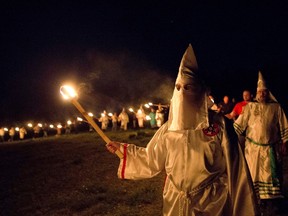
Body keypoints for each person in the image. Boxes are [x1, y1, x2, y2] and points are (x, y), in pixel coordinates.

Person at [106, 44, 259, 216]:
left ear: (200, 91)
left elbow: (237, 170)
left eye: (188, 87)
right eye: (178, 88)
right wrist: (123, 150)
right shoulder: (169, 128)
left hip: (212, 203)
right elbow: (151, 158)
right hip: (176, 201)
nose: (183, 92)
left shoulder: (219, 126)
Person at [234, 71, 288, 215]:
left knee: (271, 176)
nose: (262, 94)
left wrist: (285, 142)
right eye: (260, 92)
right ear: (256, 93)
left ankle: (270, 205)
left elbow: (284, 125)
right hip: (252, 150)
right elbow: (238, 126)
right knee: (253, 175)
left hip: (270, 149)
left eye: (264, 92)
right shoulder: (250, 107)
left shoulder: (276, 108)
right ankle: (253, 202)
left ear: (267, 93)